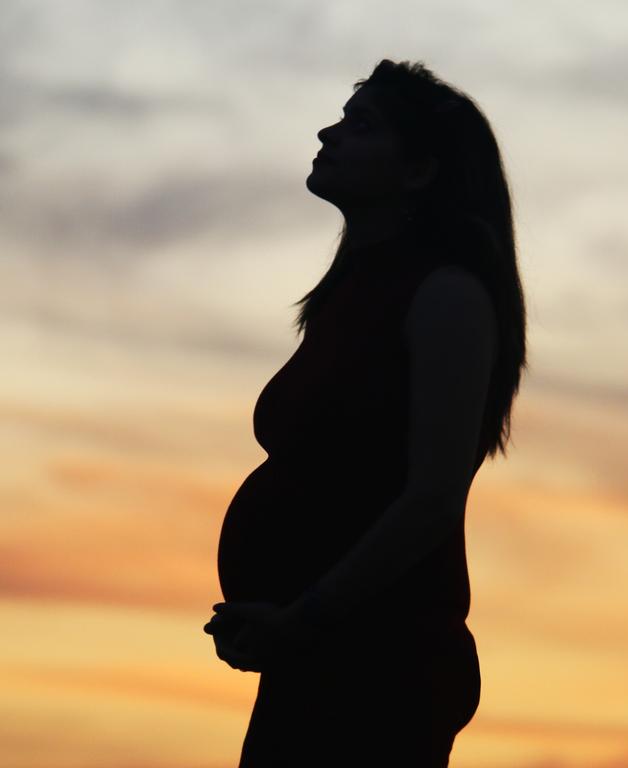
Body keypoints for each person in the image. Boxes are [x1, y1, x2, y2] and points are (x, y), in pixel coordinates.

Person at [203, 58, 528, 767]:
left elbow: (433, 499)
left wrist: (304, 618)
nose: (328, 133)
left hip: (379, 669)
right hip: (314, 661)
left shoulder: (447, 295)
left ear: (419, 171)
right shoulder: (353, 295)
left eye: (362, 125)